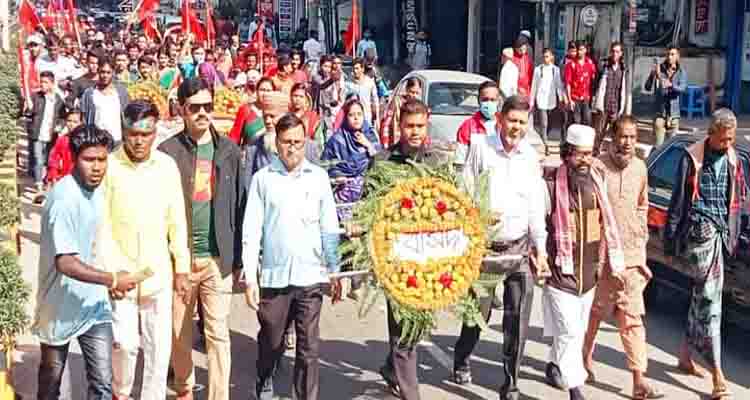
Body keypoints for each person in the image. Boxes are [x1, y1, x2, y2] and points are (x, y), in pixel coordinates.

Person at [241, 113, 342, 400]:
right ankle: (264, 377)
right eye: (287, 142)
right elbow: (251, 231)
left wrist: (334, 271)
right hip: (275, 276)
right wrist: (250, 277)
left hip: (311, 276)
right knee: (272, 340)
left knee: (309, 347)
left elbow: (329, 227)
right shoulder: (264, 179)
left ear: (305, 141)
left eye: (298, 142)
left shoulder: (319, 177)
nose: (293, 148)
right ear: (277, 143)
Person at [34, 124, 138, 400]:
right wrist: (112, 279)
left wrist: (111, 275)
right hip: (59, 305)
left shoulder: (98, 192)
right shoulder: (64, 199)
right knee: (51, 385)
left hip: (93, 305)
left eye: (102, 159)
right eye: (89, 160)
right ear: (73, 158)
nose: (97, 167)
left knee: (102, 384)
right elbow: (65, 262)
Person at [158, 78, 244, 400]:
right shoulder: (167, 153)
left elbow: (239, 204)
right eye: (195, 108)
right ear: (182, 109)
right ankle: (183, 389)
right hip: (179, 260)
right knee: (179, 334)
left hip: (216, 260)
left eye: (208, 106)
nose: (203, 113)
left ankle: (218, 396)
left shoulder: (229, 152)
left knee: (218, 334)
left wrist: (237, 261)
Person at [458, 95, 548, 400]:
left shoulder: (530, 157)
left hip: (520, 248)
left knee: (518, 318)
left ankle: (510, 383)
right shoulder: (481, 147)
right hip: (486, 248)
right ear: (500, 119)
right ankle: (462, 357)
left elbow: (536, 205)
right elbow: (465, 190)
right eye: (512, 121)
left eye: (522, 123)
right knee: (477, 314)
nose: (517, 128)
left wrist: (542, 247)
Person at [101, 100, 191, 400]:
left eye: (146, 134)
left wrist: (182, 268)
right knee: (124, 344)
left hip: (158, 273)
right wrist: (112, 272)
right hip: (121, 275)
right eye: (132, 133)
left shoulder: (166, 166)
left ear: (155, 133)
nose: (139, 141)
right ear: (123, 131)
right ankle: (121, 393)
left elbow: (177, 219)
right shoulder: (109, 166)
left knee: (158, 347)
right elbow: (100, 225)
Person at [580, 116, 663, 400]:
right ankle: (584, 356)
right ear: (612, 138)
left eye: (632, 137)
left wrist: (639, 237)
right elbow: (589, 211)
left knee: (632, 318)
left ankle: (639, 379)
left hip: (631, 257)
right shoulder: (598, 167)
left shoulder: (640, 168)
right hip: (603, 258)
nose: (627, 143)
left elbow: (643, 204)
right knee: (594, 313)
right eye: (623, 137)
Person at [664, 109, 744, 400]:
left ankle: (686, 356)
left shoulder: (734, 160)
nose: (727, 144)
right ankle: (718, 376)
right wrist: (670, 241)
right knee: (711, 306)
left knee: (701, 299)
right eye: (723, 139)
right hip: (700, 237)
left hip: (721, 237)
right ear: (711, 133)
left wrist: (733, 237)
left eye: (731, 139)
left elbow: (737, 201)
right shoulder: (692, 158)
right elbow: (678, 201)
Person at [542, 124, 625, 400]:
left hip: (589, 272)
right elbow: (539, 223)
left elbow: (607, 224)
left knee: (575, 330)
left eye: (589, 154)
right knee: (568, 331)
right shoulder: (552, 183)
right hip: (560, 270)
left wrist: (612, 263)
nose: (585, 160)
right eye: (579, 154)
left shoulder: (596, 181)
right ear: (567, 153)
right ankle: (576, 389)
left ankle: (555, 364)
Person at [373, 99, 443, 400]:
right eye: (409, 126)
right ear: (399, 126)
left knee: (416, 322)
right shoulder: (383, 162)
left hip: (429, 259)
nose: (415, 132)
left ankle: (391, 368)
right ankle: (411, 392)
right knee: (402, 325)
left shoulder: (436, 162)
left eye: (420, 126)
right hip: (396, 260)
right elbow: (370, 207)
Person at [321, 99, 382, 221]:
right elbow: (325, 164)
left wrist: (368, 144)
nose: (356, 118)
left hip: (368, 193)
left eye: (359, 114)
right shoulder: (337, 139)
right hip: (344, 195)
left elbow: (381, 161)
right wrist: (337, 176)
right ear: (345, 117)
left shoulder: (370, 135)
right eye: (351, 115)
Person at [29, 71, 66, 196]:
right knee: (38, 159)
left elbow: (62, 116)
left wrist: (59, 126)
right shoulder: (36, 97)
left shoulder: (58, 100)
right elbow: (29, 112)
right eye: (41, 82)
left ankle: (46, 181)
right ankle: (39, 185)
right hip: (37, 134)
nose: (42, 85)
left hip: (51, 135)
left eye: (45, 82)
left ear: (52, 83)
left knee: (47, 160)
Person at [80, 56, 129, 146]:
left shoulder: (121, 92)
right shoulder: (89, 93)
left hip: (117, 140)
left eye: (108, 72)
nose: (105, 75)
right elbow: (84, 118)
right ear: (98, 71)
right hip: (97, 140)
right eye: (102, 72)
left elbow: (127, 116)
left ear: (113, 73)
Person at [644, 46, 687, 147]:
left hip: (674, 115)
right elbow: (647, 87)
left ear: (677, 56)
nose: (669, 57)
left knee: (671, 148)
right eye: (668, 54)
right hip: (660, 114)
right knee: (658, 146)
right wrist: (652, 75)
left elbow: (683, 88)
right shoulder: (660, 69)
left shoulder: (681, 72)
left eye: (672, 54)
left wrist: (671, 85)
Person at [530, 48, 566, 156]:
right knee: (544, 124)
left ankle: (545, 138)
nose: (545, 59)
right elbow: (534, 85)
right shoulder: (538, 70)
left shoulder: (555, 70)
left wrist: (561, 98)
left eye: (547, 56)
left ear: (551, 57)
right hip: (540, 99)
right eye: (544, 56)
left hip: (551, 100)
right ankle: (545, 145)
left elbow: (558, 84)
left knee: (549, 123)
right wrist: (532, 100)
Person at [593, 42, 628, 154]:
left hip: (615, 106)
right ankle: (596, 151)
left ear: (621, 53)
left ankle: (613, 153)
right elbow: (596, 83)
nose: (614, 54)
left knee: (615, 132)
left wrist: (623, 107)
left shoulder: (623, 69)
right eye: (613, 51)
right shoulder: (604, 66)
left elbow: (623, 89)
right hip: (604, 104)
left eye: (617, 51)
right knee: (600, 132)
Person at [455, 81, 501, 163]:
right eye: (485, 100)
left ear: (498, 101)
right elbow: (460, 160)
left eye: (492, 100)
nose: (489, 103)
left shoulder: (504, 125)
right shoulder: (467, 127)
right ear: (478, 101)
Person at [228, 77, 275, 146]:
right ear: (256, 91)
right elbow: (234, 137)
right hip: (249, 154)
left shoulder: (277, 112)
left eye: (268, 90)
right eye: (262, 90)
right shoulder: (245, 110)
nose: (265, 94)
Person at [380, 77, 422, 147]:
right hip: (397, 142)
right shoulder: (397, 102)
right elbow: (387, 124)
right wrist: (386, 143)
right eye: (412, 92)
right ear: (407, 90)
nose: (414, 95)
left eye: (417, 93)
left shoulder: (419, 106)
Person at [564, 41, 597, 129]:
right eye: (578, 50)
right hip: (575, 98)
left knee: (587, 121)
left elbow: (593, 79)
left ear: (586, 50)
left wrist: (593, 96)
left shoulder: (590, 63)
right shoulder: (570, 65)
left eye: (582, 49)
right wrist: (570, 100)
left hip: (586, 98)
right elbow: (568, 84)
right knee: (576, 122)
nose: (579, 52)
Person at [45, 108, 82, 187]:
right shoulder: (62, 140)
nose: (71, 124)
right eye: (69, 121)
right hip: (65, 180)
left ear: (81, 123)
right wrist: (53, 177)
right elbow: (54, 160)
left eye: (75, 122)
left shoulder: (86, 141)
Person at [348, 58, 380, 127]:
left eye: (357, 68)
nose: (355, 71)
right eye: (353, 69)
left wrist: (377, 119)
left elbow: (375, 100)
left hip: (367, 118)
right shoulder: (349, 84)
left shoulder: (369, 82)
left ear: (362, 69)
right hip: (354, 119)